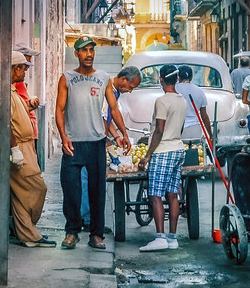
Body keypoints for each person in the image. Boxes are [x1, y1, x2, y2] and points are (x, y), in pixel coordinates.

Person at [55, 35, 131, 250]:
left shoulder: (104, 77)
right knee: (71, 190)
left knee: (97, 191)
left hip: (97, 142)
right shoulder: (66, 78)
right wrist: (63, 137)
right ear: (76, 53)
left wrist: (123, 133)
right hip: (73, 144)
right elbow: (59, 110)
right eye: (84, 50)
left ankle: (96, 235)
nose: (89, 54)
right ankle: (72, 232)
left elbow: (113, 108)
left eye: (91, 50)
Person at [0, 51, 56, 248]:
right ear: (14, 68)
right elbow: (5, 122)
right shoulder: (1, 90)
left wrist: (28, 105)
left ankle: (28, 235)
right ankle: (27, 230)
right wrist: (14, 149)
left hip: (26, 145)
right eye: (23, 68)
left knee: (19, 196)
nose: (25, 72)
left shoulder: (11, 89)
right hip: (18, 146)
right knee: (37, 187)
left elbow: (15, 112)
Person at [80, 66, 141, 230]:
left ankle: (89, 218)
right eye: (130, 87)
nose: (130, 91)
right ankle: (85, 219)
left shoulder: (116, 92)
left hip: (98, 137)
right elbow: (100, 115)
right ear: (123, 79)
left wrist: (117, 136)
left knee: (93, 179)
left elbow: (108, 117)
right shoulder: (105, 86)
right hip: (89, 138)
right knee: (87, 179)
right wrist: (109, 137)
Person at [137, 65, 188, 252]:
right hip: (177, 149)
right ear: (176, 79)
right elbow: (179, 128)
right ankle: (173, 238)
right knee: (173, 194)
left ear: (161, 80)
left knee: (155, 194)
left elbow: (159, 130)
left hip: (163, 151)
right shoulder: (182, 101)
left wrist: (147, 155)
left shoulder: (162, 101)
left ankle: (160, 237)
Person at [12, 43, 41, 150]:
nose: (28, 66)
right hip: (23, 136)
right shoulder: (15, 82)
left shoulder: (19, 81)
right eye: (26, 63)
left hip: (29, 131)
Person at [175, 65, 213, 140]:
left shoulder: (174, 89)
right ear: (191, 77)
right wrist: (210, 135)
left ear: (178, 76)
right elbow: (204, 116)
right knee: (196, 150)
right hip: (194, 128)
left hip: (177, 128)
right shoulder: (199, 91)